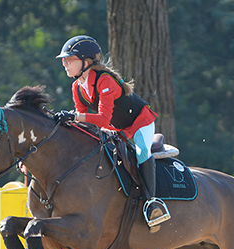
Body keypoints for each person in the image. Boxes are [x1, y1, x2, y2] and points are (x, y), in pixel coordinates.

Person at [54, 35, 170, 232]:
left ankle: (152, 204)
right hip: (116, 129)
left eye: (70, 60)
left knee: (142, 152)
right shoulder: (77, 87)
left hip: (139, 123)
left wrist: (74, 116)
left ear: (86, 62)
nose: (65, 64)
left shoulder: (104, 80)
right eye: (64, 60)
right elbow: (83, 120)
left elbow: (102, 119)